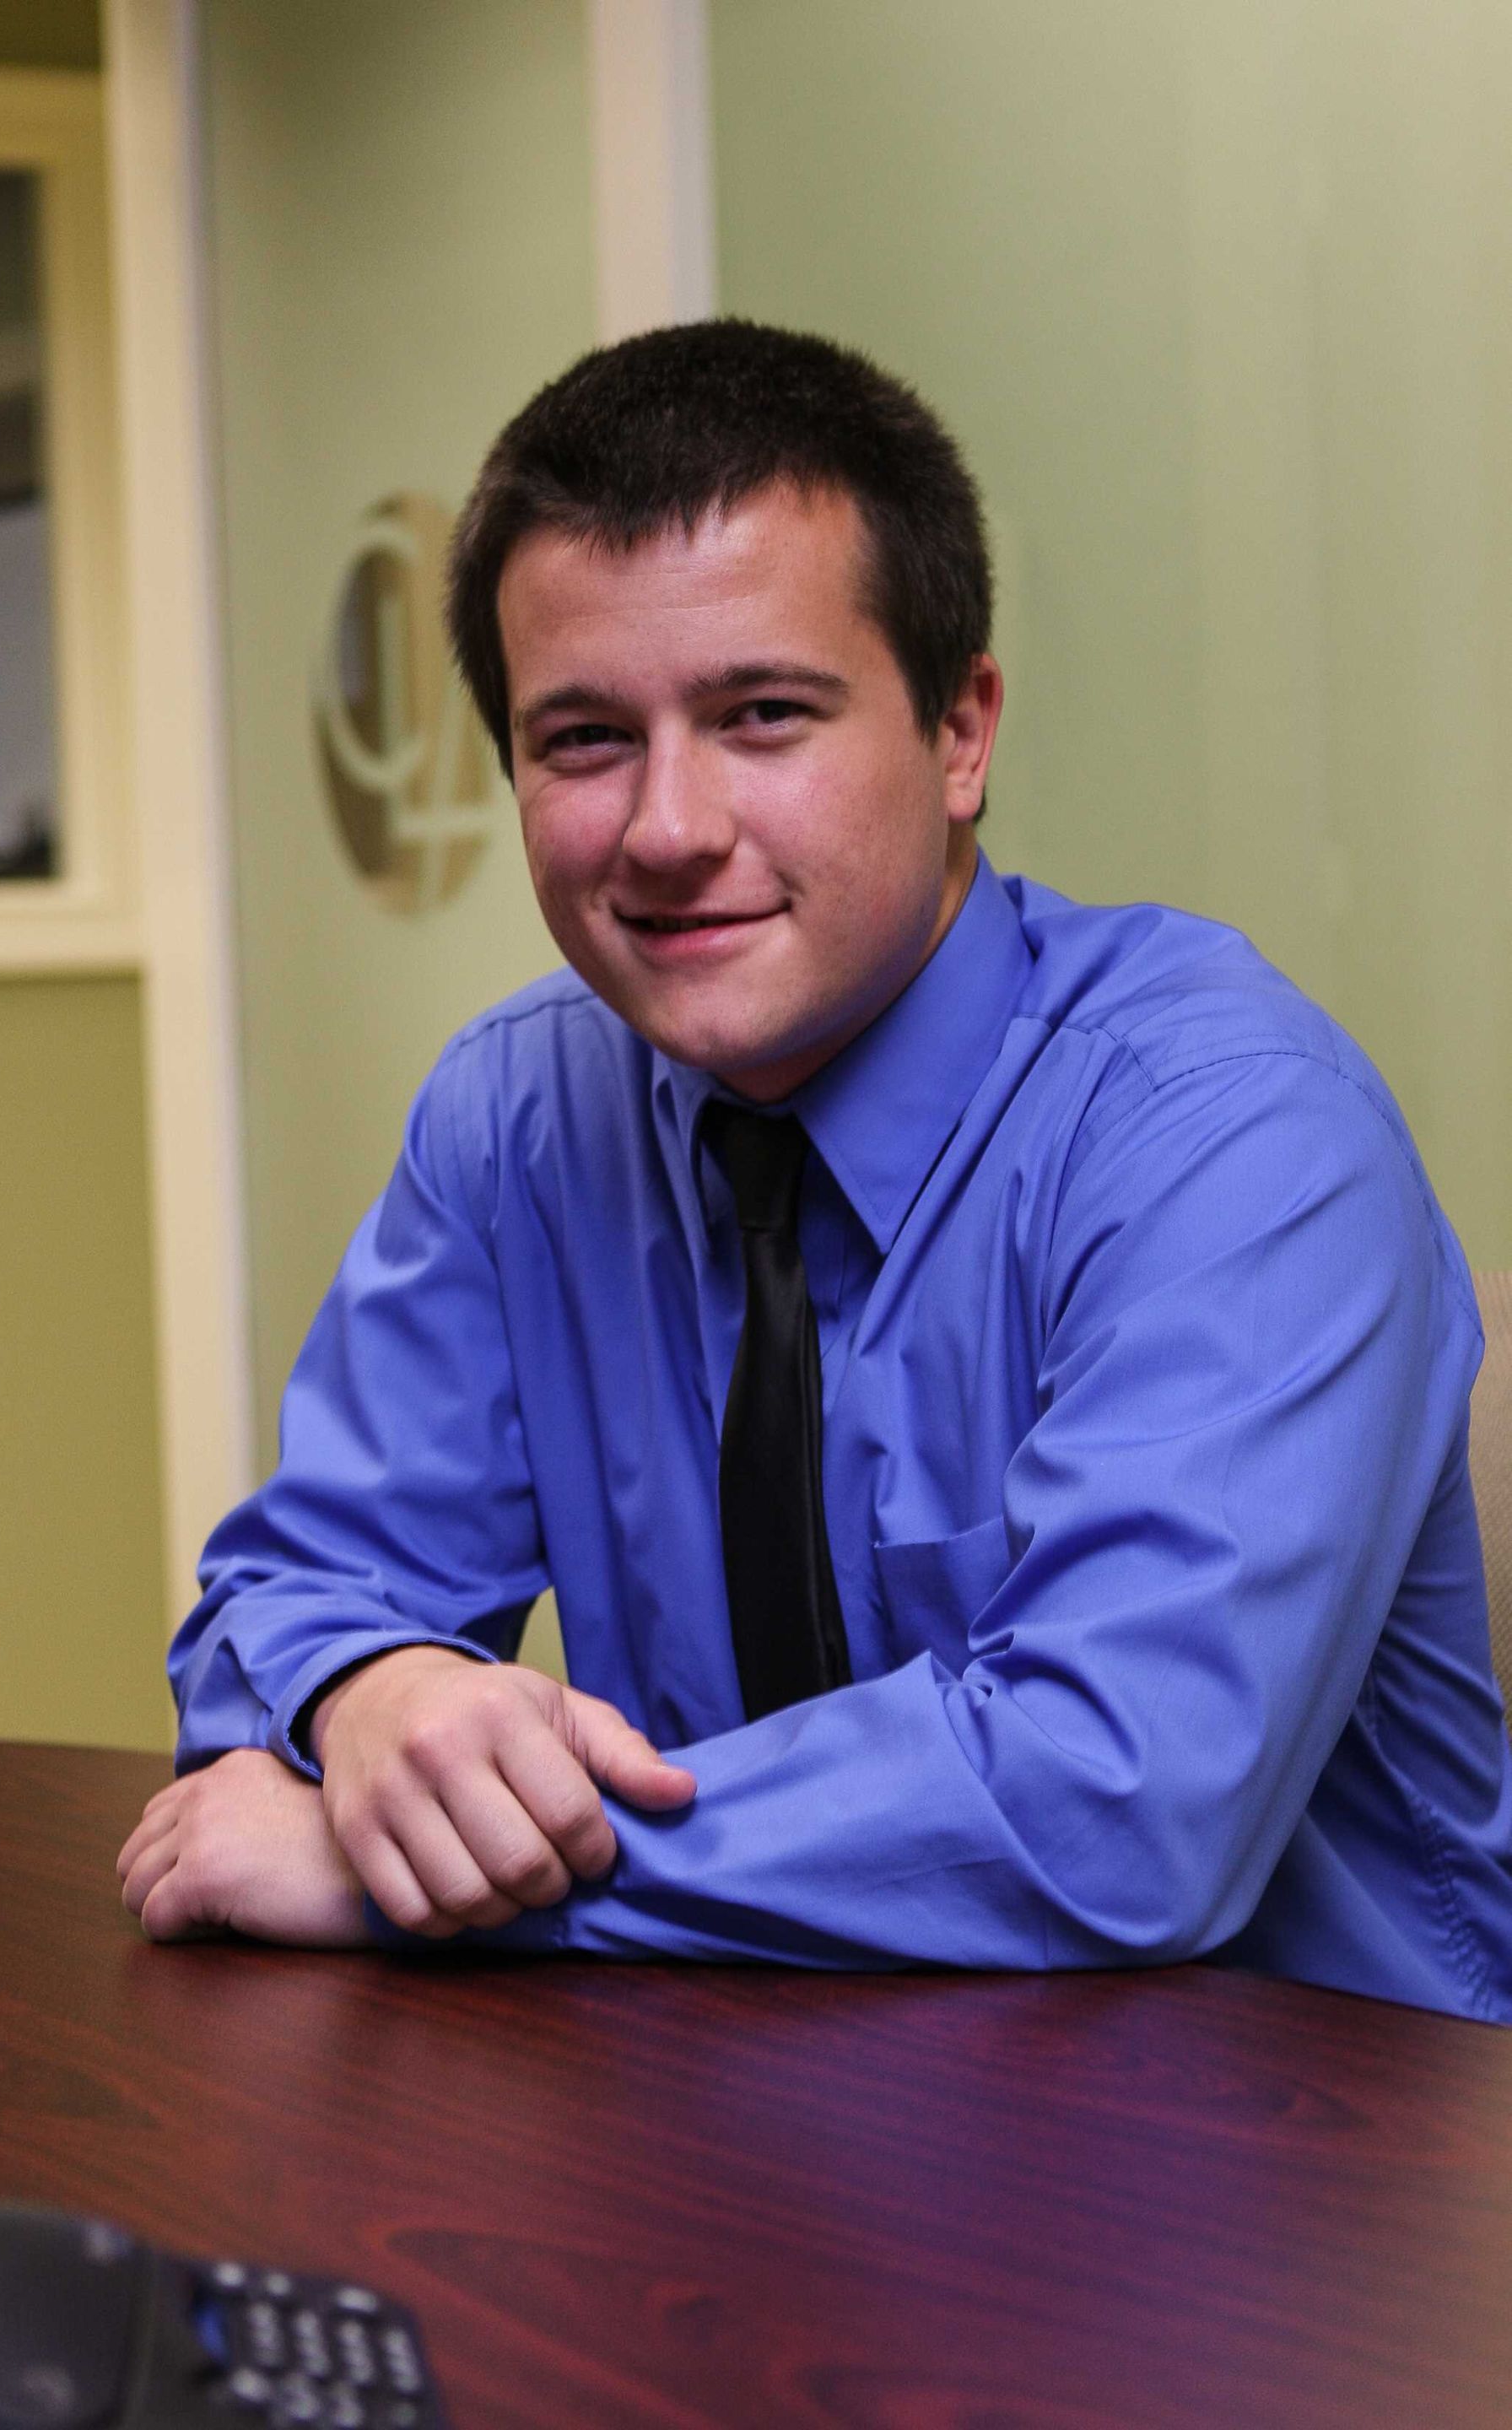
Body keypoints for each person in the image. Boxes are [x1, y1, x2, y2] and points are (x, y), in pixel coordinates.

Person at [118, 320, 1512, 2020]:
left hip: (1303, 2140)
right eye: (584, 739)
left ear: (960, 732)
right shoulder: (519, 1119)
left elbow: (1117, 1803)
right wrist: (371, 1693)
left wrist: (432, 1884)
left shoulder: (1230, 1132)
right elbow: (278, 1609)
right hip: (765, 2100)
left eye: (762, 714)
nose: (668, 828)